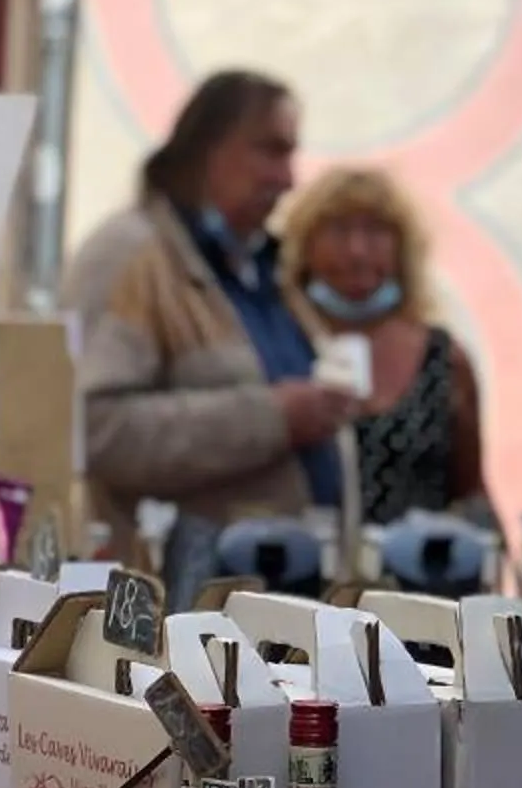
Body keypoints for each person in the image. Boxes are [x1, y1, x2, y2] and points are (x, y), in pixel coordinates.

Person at [75, 70, 356, 595]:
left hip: (277, 606)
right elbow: (94, 429)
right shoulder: (132, 255)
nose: (289, 179)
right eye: (270, 151)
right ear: (208, 149)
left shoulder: (263, 268)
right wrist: (274, 417)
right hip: (182, 611)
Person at [281, 163, 492, 524]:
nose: (357, 251)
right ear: (305, 245)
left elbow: (470, 492)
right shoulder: (274, 345)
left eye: (376, 231)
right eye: (338, 230)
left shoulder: (445, 360)